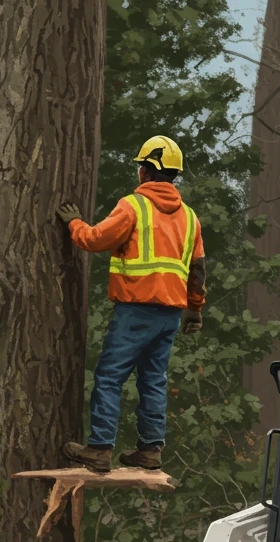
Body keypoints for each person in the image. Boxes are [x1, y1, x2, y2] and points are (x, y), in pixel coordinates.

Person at [56, 135, 206, 473]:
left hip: (135, 310)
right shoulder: (190, 218)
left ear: (145, 171)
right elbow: (198, 269)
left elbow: (94, 240)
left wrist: (72, 222)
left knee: (110, 378)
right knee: (152, 380)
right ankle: (150, 450)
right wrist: (194, 309)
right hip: (170, 314)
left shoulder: (133, 206)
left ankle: (99, 449)